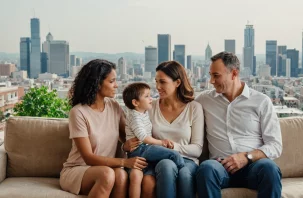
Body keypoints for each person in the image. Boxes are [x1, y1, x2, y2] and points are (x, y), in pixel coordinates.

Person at [195, 52, 283, 198]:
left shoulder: (261, 101)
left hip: (253, 167)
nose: (211, 81)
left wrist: (246, 157)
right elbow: (182, 111)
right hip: (219, 167)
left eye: (216, 76)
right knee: (206, 168)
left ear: (234, 73)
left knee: (270, 168)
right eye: (210, 75)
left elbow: (275, 145)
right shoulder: (204, 100)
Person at [60, 59, 147, 198]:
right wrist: (124, 162)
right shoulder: (78, 112)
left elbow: (130, 135)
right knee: (107, 174)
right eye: (112, 81)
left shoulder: (114, 106)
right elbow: (88, 158)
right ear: (97, 83)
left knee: (121, 176)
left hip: (108, 169)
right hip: (78, 170)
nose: (116, 85)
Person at [124, 61, 204, 198]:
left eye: (162, 82)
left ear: (177, 82)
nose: (157, 87)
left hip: (188, 160)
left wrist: (172, 146)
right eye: (156, 82)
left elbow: (197, 149)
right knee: (166, 165)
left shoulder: (194, 108)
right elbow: (136, 131)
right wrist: (125, 146)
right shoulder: (149, 107)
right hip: (160, 160)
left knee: (185, 174)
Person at [122, 82, 185, 198]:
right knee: (173, 154)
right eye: (146, 96)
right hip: (140, 149)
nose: (151, 98)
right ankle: (183, 170)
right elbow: (144, 138)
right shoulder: (135, 116)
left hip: (143, 150)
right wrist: (161, 143)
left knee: (149, 180)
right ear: (135, 102)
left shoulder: (143, 113)